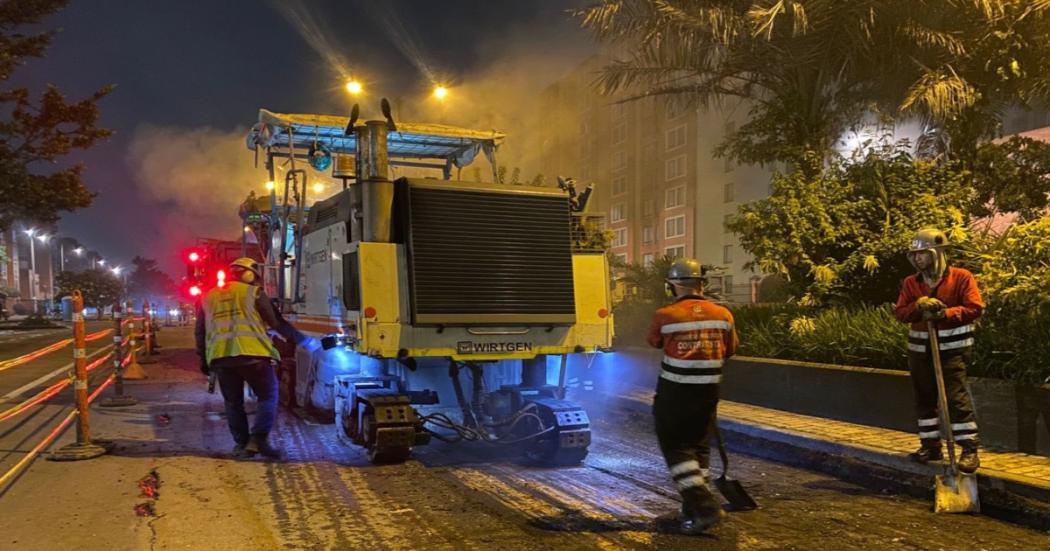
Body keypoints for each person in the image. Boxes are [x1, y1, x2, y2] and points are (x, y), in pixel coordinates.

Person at [646, 258, 739, 534]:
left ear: (672, 285)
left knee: (676, 447)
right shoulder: (723, 315)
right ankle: (691, 507)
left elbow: (654, 342)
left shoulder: (666, 315)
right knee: (699, 447)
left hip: (675, 392)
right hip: (708, 392)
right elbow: (731, 349)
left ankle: (704, 507)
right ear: (702, 284)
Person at [894, 228, 983, 473]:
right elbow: (900, 312)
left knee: (956, 400)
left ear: (936, 253)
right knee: (925, 400)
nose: (917, 258)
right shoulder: (911, 283)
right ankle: (930, 446)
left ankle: (968, 449)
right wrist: (918, 305)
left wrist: (945, 313)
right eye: (914, 254)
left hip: (953, 350)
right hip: (920, 351)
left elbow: (975, 307)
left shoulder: (962, 278)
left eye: (922, 253)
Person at [195, 257, 304, 459]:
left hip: (221, 358)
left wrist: (204, 360)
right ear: (248, 274)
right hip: (253, 355)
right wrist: (305, 341)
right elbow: (277, 323)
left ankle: (242, 445)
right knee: (268, 396)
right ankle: (258, 439)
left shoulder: (207, 297)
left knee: (233, 402)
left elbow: (200, 333)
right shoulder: (254, 293)